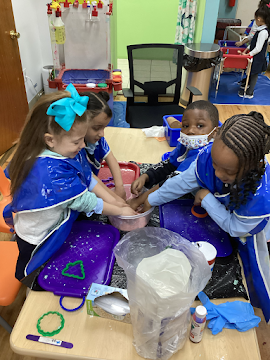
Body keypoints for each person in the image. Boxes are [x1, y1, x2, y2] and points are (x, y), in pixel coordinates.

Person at [142, 112, 270, 322]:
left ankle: (256, 308)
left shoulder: (260, 195)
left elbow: (235, 226)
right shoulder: (211, 155)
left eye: (227, 172)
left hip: (250, 230)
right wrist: (151, 199)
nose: (217, 173)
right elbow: (182, 182)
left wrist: (207, 198)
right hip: (226, 213)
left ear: (250, 168)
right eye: (214, 166)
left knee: (252, 276)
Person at [4, 84, 135, 287]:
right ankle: (32, 292)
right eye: (77, 142)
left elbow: (88, 177)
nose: (83, 146)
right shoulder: (49, 171)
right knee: (42, 279)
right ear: (50, 140)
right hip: (39, 240)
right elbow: (86, 201)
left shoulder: (60, 151)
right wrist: (121, 210)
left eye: (83, 139)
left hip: (53, 226)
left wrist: (118, 201)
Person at [127, 101, 219, 210]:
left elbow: (173, 183)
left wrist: (139, 201)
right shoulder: (186, 144)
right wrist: (146, 176)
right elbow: (169, 164)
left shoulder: (206, 154)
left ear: (215, 132)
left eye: (200, 126)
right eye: (185, 125)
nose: (190, 131)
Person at [82, 91, 126, 200]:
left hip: (94, 188)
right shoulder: (73, 148)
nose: (102, 134)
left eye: (104, 128)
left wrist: (119, 187)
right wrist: (114, 200)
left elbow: (111, 159)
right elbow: (90, 178)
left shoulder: (98, 140)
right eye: (97, 128)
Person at [237, 6, 270, 99]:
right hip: (254, 56)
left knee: (254, 73)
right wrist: (246, 49)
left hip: (257, 57)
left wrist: (248, 54)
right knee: (251, 72)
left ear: (259, 19)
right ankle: (247, 85)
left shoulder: (263, 32)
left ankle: (250, 92)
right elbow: (254, 43)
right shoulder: (259, 30)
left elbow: (258, 48)